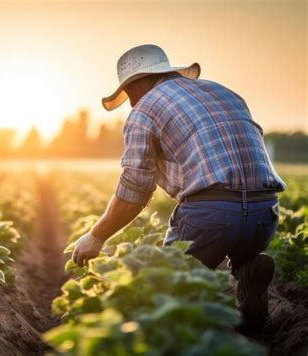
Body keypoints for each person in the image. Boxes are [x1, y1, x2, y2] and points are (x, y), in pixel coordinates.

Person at [71, 44, 286, 330]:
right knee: (239, 235)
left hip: (212, 216)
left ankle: (189, 335)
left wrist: (96, 237)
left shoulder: (144, 110)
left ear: (135, 85)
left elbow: (135, 187)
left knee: (166, 292)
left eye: (129, 95)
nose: (132, 104)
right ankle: (248, 270)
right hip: (265, 211)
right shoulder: (224, 92)